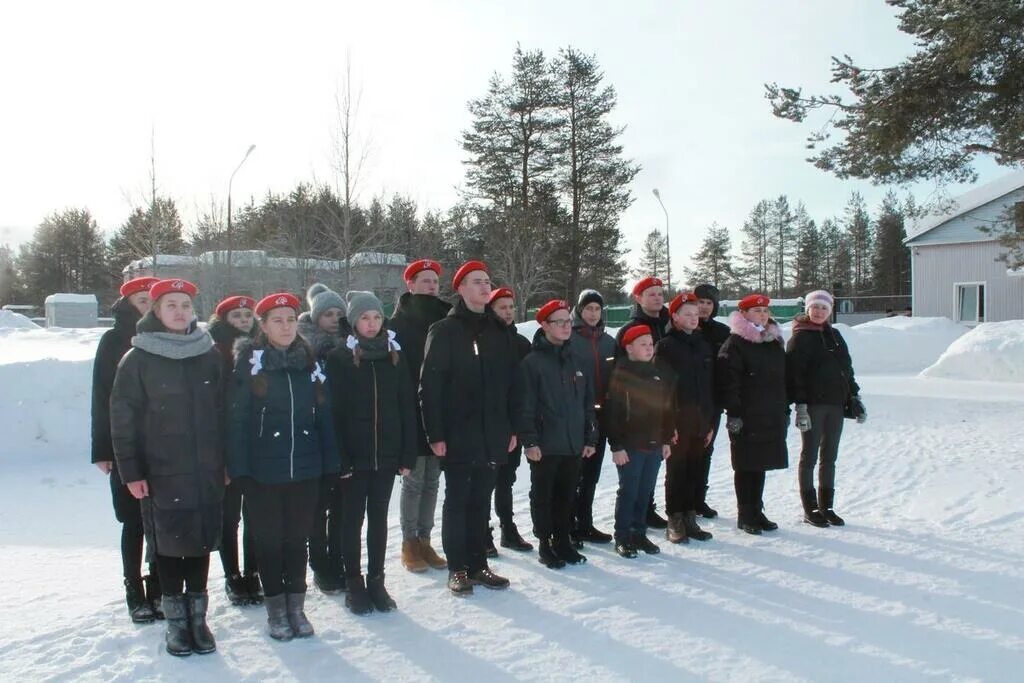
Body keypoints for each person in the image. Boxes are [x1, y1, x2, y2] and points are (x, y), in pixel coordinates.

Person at [110, 278, 224, 657]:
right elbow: (123, 419)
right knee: (170, 546)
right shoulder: (138, 358)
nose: (179, 312)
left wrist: (226, 463)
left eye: (186, 305)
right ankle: (176, 623)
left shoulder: (209, 354)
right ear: (155, 311)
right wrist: (132, 471)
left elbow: (226, 412)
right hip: (161, 472)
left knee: (201, 542)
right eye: (171, 305)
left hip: (206, 470)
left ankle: (198, 619)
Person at [229, 292, 341, 641]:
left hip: (305, 471)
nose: (286, 326)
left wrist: (330, 465)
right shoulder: (251, 363)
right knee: (270, 542)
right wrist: (241, 471)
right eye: (277, 320)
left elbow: (324, 416)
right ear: (262, 325)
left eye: (291, 319)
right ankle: (276, 610)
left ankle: (297, 607)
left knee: (297, 541)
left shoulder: (309, 362)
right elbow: (238, 421)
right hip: (264, 473)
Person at [420, 260, 518, 595]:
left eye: (487, 280)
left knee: (481, 500)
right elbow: (429, 386)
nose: (484, 286)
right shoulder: (445, 330)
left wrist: (511, 427)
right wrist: (435, 434)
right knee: (458, 499)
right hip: (458, 433)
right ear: (461, 288)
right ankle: (457, 567)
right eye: (476, 281)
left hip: (493, 432)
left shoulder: (499, 331)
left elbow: (511, 386)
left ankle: (479, 565)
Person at [327, 291, 417, 615]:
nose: (371, 323)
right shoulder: (340, 358)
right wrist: (341, 457)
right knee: (352, 521)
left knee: (379, 519)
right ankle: (353, 583)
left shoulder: (395, 355)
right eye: (365, 318)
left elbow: (407, 405)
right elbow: (333, 413)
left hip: (387, 455)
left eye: (377, 317)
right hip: (354, 457)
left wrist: (408, 453)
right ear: (353, 322)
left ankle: (376, 581)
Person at [91, 276, 162, 624]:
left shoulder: (167, 336)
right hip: (126, 446)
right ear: (129, 302)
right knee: (133, 521)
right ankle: (134, 588)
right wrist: (102, 448)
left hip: (164, 448)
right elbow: (102, 397)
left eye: (152, 298)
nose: (147, 304)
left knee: (161, 519)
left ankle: (159, 586)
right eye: (141, 299)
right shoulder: (114, 339)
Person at [516, 299, 597, 569]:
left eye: (567, 322)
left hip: (573, 442)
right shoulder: (533, 362)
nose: (565, 327)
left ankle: (563, 540)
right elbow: (524, 404)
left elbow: (587, 403)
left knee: (567, 495)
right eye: (558, 322)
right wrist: (529, 441)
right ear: (544, 325)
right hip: (546, 443)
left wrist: (589, 437)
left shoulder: (576, 359)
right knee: (544, 496)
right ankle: (545, 543)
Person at [390, 259, 451, 573]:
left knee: (432, 480)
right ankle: (409, 543)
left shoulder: (447, 318)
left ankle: (426, 540)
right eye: (424, 280)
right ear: (410, 285)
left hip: (440, 410)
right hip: (410, 409)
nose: (431, 285)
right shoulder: (396, 325)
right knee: (414, 480)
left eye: (435, 281)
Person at [786, 290, 865, 527]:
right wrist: (800, 405)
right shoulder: (800, 337)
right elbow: (794, 375)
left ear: (829, 311)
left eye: (824, 308)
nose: (819, 312)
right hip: (812, 405)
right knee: (809, 456)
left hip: (836, 404)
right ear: (807, 309)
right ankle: (810, 509)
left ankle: (827, 507)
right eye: (815, 307)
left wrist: (854, 396)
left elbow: (846, 369)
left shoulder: (835, 335)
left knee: (830, 456)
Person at [717, 293, 789, 535]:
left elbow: (782, 378)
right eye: (757, 311)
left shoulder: (773, 341)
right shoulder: (735, 343)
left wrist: (785, 408)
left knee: (761, 464)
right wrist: (734, 412)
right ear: (744, 314)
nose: (762, 315)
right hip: (747, 415)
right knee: (746, 465)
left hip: (770, 413)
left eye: (765, 311)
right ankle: (745, 513)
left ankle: (757, 510)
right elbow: (729, 382)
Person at [603, 325, 674, 558]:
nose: (648, 348)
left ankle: (639, 533)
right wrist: (617, 446)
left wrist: (665, 440)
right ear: (629, 348)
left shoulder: (656, 374)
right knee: (629, 491)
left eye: (650, 344)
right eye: (642, 344)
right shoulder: (622, 374)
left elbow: (665, 410)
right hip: (630, 447)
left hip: (653, 446)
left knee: (646, 491)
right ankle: (623, 535)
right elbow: (612, 414)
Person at [209, 295, 261, 606]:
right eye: (236, 316)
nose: (243, 320)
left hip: (255, 444)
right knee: (229, 517)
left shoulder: (260, 349)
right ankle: (232, 575)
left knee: (254, 514)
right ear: (224, 319)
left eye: (247, 315)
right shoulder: (213, 351)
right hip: (225, 445)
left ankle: (253, 572)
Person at [298, 283, 349, 593]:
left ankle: (338, 558)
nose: (333, 318)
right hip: (315, 436)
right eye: (327, 313)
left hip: (345, 436)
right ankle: (319, 564)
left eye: (338, 313)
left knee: (343, 507)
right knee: (317, 509)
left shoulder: (350, 344)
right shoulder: (304, 349)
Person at [655, 293, 715, 544]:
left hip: (701, 421)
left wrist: (711, 421)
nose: (693, 318)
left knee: (695, 469)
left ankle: (690, 516)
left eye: (695, 314)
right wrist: (667, 426)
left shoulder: (703, 344)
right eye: (687, 314)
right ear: (675, 317)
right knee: (677, 471)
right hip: (678, 423)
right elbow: (661, 391)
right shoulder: (667, 346)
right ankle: (675, 518)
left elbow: (710, 386)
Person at [615, 276, 671, 529]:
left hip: (661, 404)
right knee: (631, 482)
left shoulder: (671, 323)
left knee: (649, 476)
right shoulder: (629, 329)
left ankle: (645, 516)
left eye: (660, 293)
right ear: (638, 298)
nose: (658, 297)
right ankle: (628, 529)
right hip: (633, 420)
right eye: (651, 294)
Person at [567, 289, 616, 546]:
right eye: (588, 309)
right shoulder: (570, 339)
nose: (593, 314)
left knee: (592, 475)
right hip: (578, 415)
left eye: (597, 309)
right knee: (575, 474)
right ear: (579, 311)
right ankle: (569, 527)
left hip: (603, 414)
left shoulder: (609, 341)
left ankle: (585, 523)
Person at [487, 286, 534, 553]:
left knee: (507, 479)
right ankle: (482, 532)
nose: (507, 312)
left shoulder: (520, 343)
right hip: (490, 424)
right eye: (501, 307)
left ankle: (508, 528)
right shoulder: (483, 339)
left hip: (514, 423)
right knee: (486, 481)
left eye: (510, 307)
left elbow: (525, 387)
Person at [693, 283, 732, 519]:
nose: (704, 307)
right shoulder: (684, 327)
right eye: (700, 302)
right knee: (684, 454)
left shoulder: (722, 332)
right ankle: (682, 501)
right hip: (688, 402)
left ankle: (699, 499)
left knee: (705, 451)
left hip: (713, 402)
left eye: (708, 303)